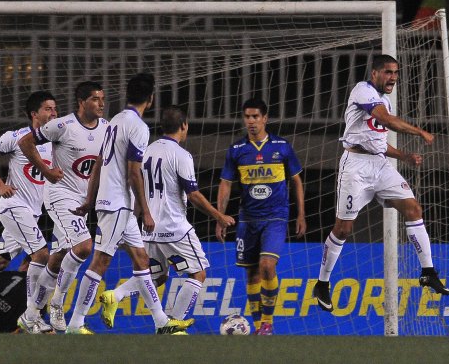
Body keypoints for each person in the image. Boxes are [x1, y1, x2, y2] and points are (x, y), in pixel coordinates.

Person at [312, 54, 449, 313]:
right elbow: (386, 122)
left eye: (396, 73)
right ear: (374, 73)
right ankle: (322, 283)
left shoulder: (384, 101)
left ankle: (428, 271)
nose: (393, 78)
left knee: (413, 209)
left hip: (379, 166)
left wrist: (404, 156)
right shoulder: (362, 90)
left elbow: (378, 142)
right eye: (388, 72)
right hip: (355, 167)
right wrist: (420, 131)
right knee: (343, 229)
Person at [69, 73, 191, 335]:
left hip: (114, 202)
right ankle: (75, 323)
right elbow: (134, 171)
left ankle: (161, 322)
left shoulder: (114, 121)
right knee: (100, 261)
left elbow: (101, 162)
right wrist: (146, 211)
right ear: (151, 98)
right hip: (117, 204)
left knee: (141, 259)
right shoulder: (138, 126)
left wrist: (90, 199)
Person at [98, 106, 235, 331]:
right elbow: (193, 195)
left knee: (156, 277)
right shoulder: (181, 155)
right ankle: (172, 323)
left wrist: (133, 220)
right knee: (199, 272)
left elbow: (135, 187)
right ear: (184, 126)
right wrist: (219, 216)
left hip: (150, 228)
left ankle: (117, 294)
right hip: (175, 227)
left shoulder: (146, 151)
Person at [18, 81, 108, 332]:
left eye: (102, 98)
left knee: (58, 257)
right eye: (94, 99)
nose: (101, 104)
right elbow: (26, 142)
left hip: (83, 200)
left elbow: (102, 165)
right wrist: (46, 170)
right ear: (81, 102)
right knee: (84, 246)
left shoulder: (107, 128)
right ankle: (57, 303)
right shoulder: (62, 125)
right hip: (60, 195)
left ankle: (30, 313)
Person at [215, 98, 306, 335]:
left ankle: (268, 322)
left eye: (255, 116)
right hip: (247, 219)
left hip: (276, 217)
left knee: (267, 265)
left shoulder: (281, 146)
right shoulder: (236, 150)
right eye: (247, 117)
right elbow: (225, 183)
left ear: (265, 118)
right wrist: (220, 216)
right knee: (252, 272)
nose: (251, 121)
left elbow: (296, 180)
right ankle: (257, 328)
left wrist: (301, 214)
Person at [0, 91, 57, 333]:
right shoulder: (16, 137)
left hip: (31, 214)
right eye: (48, 109)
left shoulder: (56, 144)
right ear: (34, 114)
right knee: (41, 256)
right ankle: (30, 317)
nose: (54, 113)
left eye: (55, 109)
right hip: (14, 207)